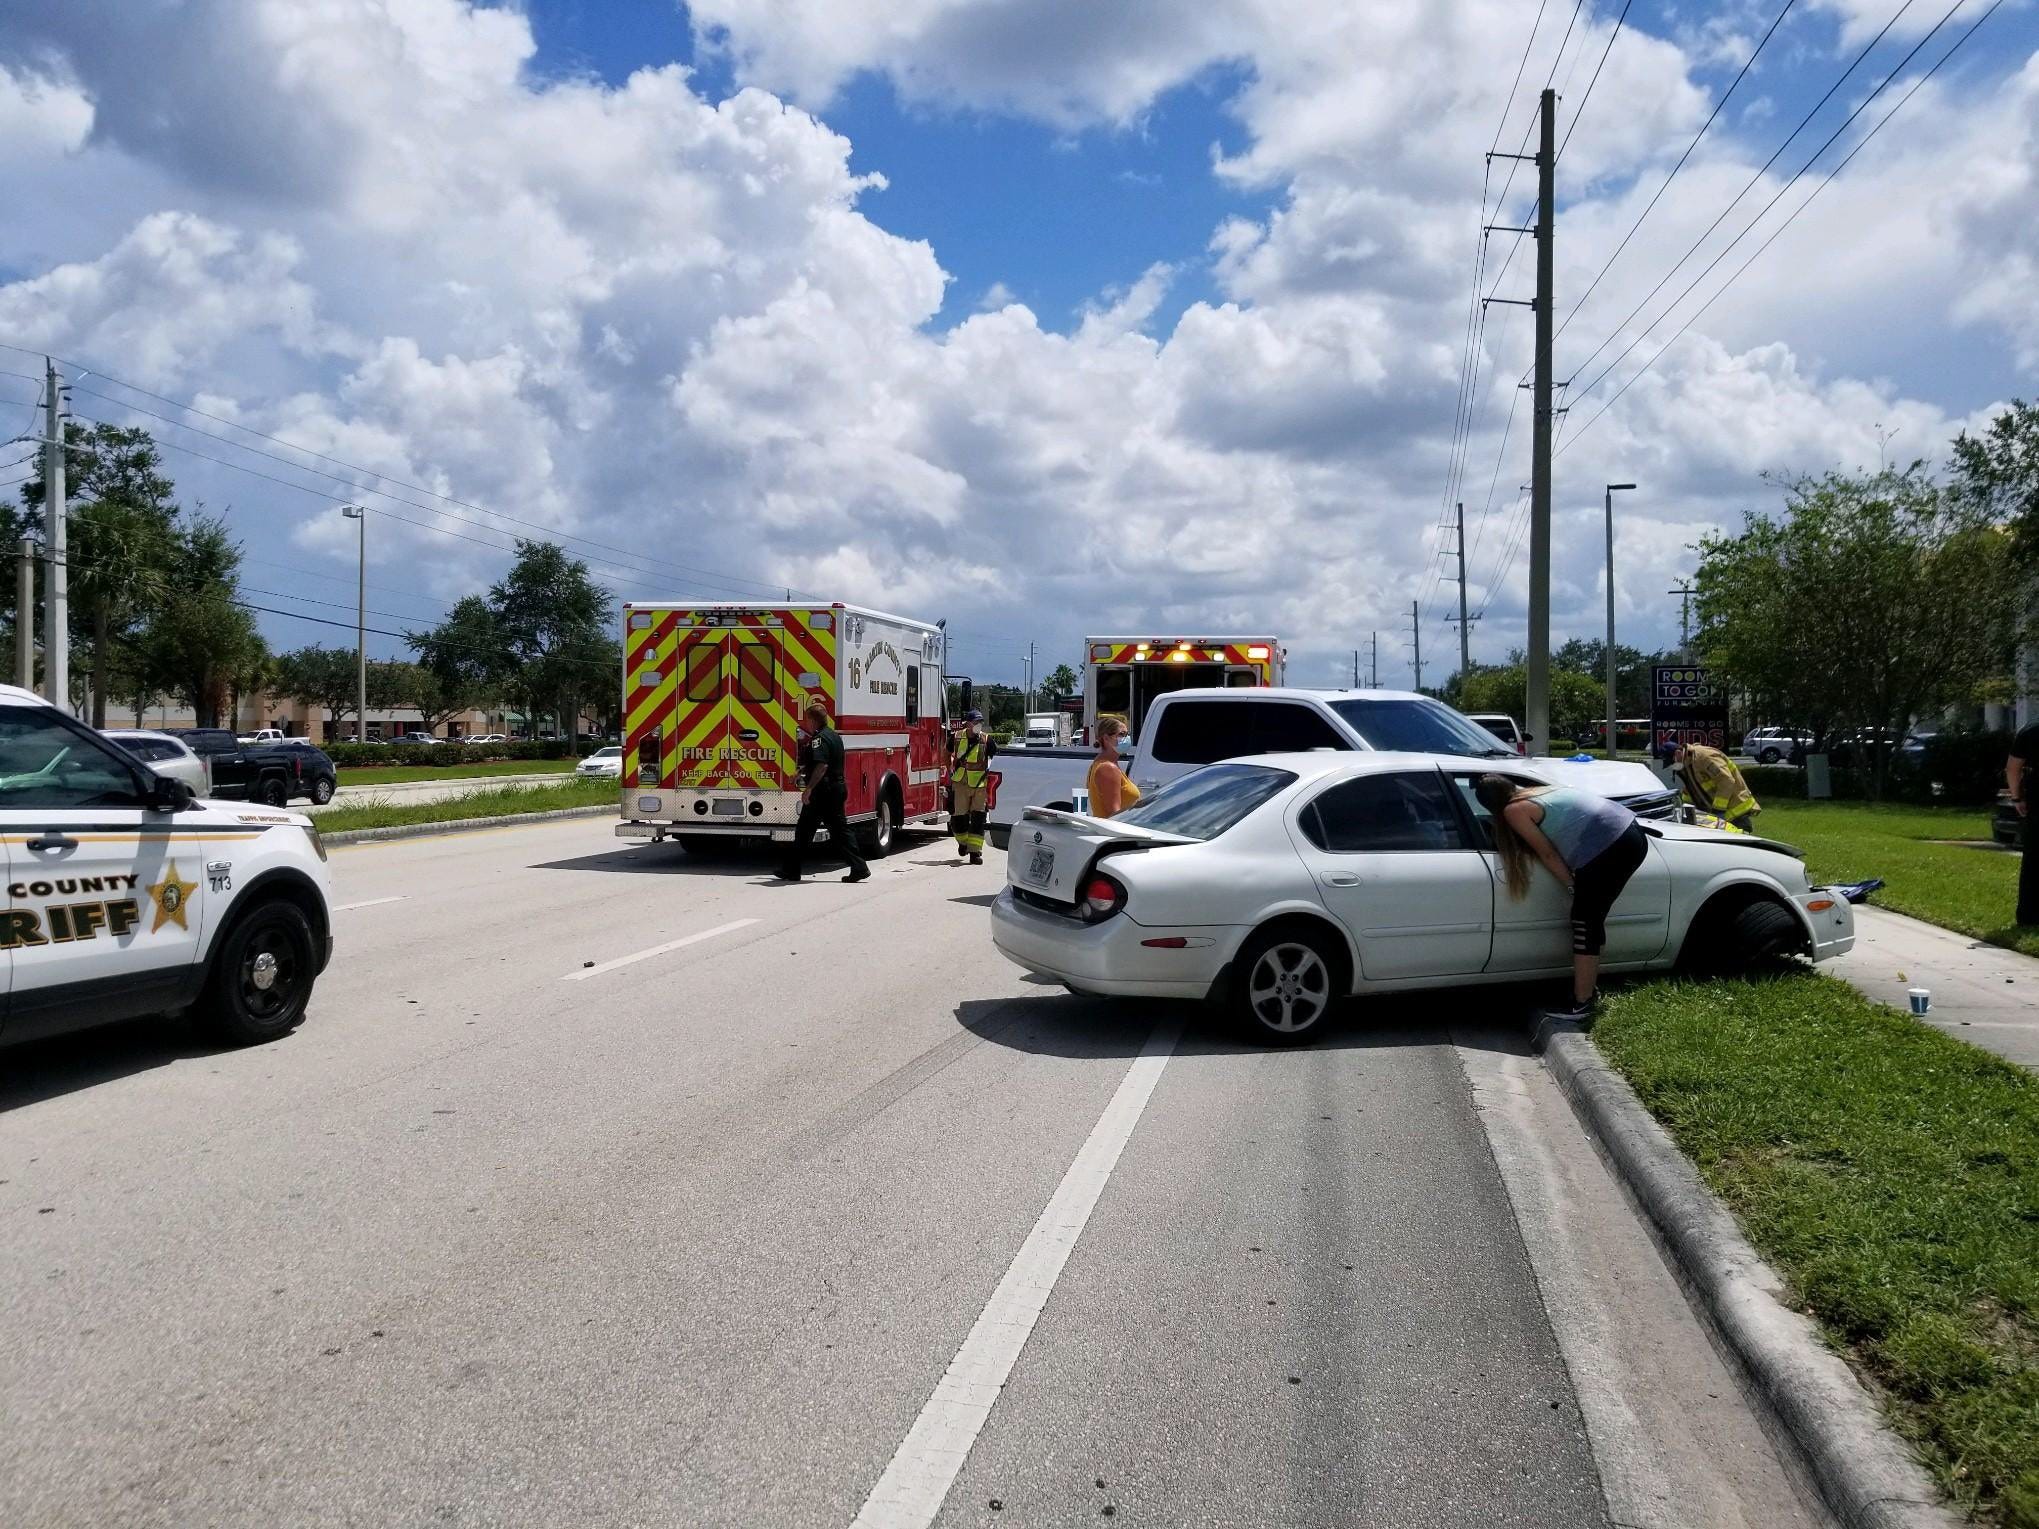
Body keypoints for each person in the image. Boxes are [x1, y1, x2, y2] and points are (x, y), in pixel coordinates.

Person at [1475, 776, 1648, 1020]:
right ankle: (1587, 990)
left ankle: (1582, 1003)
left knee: (1584, 921)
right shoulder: (1536, 791)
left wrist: (1570, 885)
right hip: (1631, 834)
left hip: (1607, 847)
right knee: (1590, 918)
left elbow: (1547, 853)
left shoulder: (1514, 810)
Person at [777, 702, 869, 885]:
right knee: (838, 831)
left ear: (812, 720)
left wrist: (809, 788)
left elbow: (822, 765)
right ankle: (859, 867)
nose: (806, 723)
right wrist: (800, 772)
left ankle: (792, 870)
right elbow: (818, 761)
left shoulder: (819, 739)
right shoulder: (833, 736)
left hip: (823, 792)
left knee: (805, 830)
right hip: (835, 789)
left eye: (807, 719)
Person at [1658, 738, 1761, 832]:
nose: (1672, 766)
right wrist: (1686, 808)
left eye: (1671, 762)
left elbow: (1726, 781)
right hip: (1720, 812)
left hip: (1735, 808)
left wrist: (1718, 810)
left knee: (1741, 843)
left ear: (1678, 753)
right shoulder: (1687, 764)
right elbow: (1690, 790)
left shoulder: (1704, 757)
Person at [947, 709, 996, 864]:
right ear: (967, 723)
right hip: (960, 783)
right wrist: (949, 767)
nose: (978, 725)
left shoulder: (986, 740)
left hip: (980, 785)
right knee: (959, 818)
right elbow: (946, 752)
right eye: (975, 722)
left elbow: (997, 758)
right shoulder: (956, 737)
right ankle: (963, 842)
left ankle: (975, 853)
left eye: (980, 722)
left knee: (978, 818)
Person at [2008, 722, 2039, 923]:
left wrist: (2017, 797)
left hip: (2037, 794)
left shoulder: (2030, 731)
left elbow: (2012, 768)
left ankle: (2029, 914)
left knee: (2034, 855)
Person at [1086, 714, 1141, 819]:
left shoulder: (1101, 763)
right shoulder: (1108, 768)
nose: (1126, 738)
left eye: (1127, 734)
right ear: (1106, 738)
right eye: (1121, 734)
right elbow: (1115, 815)